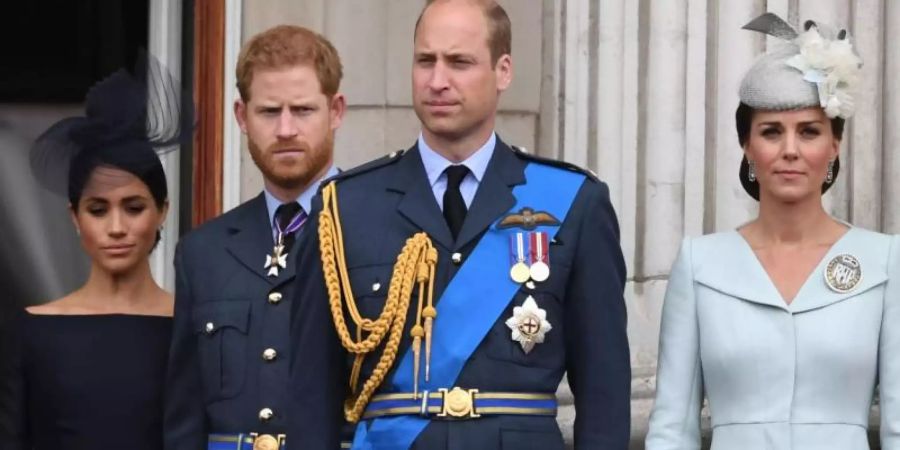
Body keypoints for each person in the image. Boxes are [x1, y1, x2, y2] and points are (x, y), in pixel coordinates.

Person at [288, 1, 631, 448]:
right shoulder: (345, 209)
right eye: (425, 61)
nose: (437, 81)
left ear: (503, 71)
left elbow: (603, 393)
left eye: (459, 62)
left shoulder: (574, 203)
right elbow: (311, 397)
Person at [645, 13, 898, 450]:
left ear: (834, 144)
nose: (790, 151)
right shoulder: (699, 263)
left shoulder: (885, 261)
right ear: (747, 146)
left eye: (809, 132)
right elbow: (672, 426)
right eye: (770, 132)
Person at [164, 25, 346, 450]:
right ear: (242, 117)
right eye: (269, 111)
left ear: (335, 110)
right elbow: (185, 420)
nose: (285, 129)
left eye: (302, 110)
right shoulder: (202, 253)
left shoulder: (380, 231)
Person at [0, 57, 181, 450]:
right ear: (75, 217)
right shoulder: (32, 331)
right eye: (98, 210)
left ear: (162, 210)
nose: (116, 227)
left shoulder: (192, 327)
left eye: (134, 207)